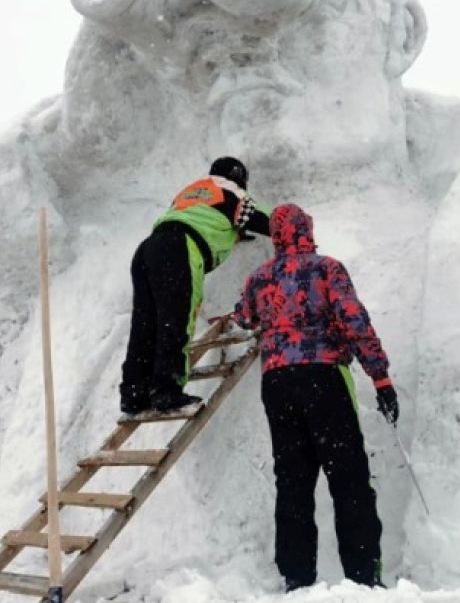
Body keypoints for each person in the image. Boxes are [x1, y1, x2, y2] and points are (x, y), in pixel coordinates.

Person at [234, 203, 397, 590]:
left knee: (292, 480)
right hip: (323, 376)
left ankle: (297, 579)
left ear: (275, 236)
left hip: (277, 383)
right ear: (307, 229)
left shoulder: (259, 278)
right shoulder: (326, 268)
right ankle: (362, 577)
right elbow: (353, 320)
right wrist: (380, 378)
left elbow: (244, 318)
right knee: (348, 476)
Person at [118, 155, 270, 416]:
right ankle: (167, 389)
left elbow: (207, 216)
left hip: (148, 249)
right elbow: (267, 219)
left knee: (145, 324)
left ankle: (133, 393)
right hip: (180, 249)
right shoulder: (231, 190)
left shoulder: (191, 192)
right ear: (239, 176)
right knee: (176, 319)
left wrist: (235, 232)